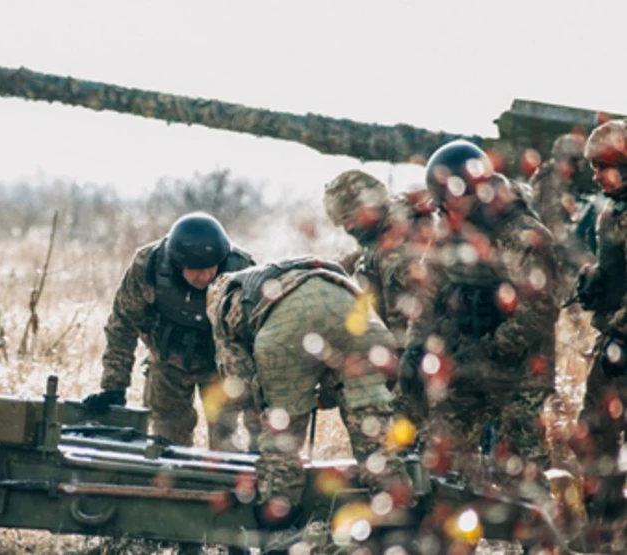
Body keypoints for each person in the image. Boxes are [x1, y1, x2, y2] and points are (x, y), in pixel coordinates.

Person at [206, 256, 410, 540]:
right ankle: (398, 519)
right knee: (374, 433)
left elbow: (236, 377)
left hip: (286, 330)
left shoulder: (223, 302)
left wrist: (264, 412)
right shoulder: (287, 272)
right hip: (360, 321)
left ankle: (279, 529)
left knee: (283, 440)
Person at [402, 139, 561, 498]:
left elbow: (540, 311)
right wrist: (414, 350)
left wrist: (488, 351)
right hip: (466, 369)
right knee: (441, 462)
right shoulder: (449, 230)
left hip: (520, 372)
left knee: (520, 474)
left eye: (447, 196)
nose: (441, 207)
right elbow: (426, 296)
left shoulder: (523, 236)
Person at [83, 212, 259, 451]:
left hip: (221, 364)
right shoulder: (148, 266)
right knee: (168, 441)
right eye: (196, 270)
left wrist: (257, 392)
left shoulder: (243, 270)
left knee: (225, 441)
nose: (206, 276)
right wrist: (114, 387)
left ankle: (222, 487)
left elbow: (256, 335)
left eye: (211, 268)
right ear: (178, 264)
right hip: (167, 362)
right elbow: (122, 324)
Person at [569, 120, 627, 528]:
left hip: (623, 341)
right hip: (617, 340)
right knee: (593, 432)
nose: (594, 174)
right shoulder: (613, 209)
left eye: (602, 165)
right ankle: (605, 519)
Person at [323, 169, 438, 354]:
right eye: (342, 222)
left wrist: (399, 370)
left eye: (350, 218)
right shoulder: (389, 224)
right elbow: (363, 252)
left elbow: (402, 329)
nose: (348, 228)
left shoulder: (395, 253)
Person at [529, 133, 598, 277]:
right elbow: (555, 233)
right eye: (573, 163)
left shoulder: (558, 186)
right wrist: (585, 261)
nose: (574, 171)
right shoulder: (544, 186)